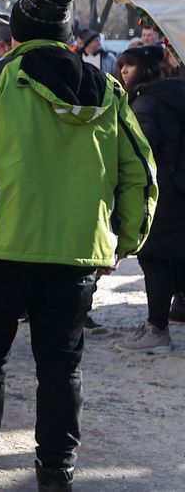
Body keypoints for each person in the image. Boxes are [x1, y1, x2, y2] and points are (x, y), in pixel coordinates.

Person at [0, 0, 157, 492]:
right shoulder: (109, 89)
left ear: (19, 31)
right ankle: (56, 476)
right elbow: (139, 172)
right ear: (67, 32)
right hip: (75, 255)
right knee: (61, 367)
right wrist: (121, 241)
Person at [114, 45, 183, 353]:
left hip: (162, 192)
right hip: (180, 188)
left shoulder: (145, 104)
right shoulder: (175, 93)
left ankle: (157, 328)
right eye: (122, 66)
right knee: (177, 253)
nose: (123, 72)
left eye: (129, 66)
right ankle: (179, 307)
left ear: (144, 69)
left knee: (153, 256)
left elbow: (140, 153)